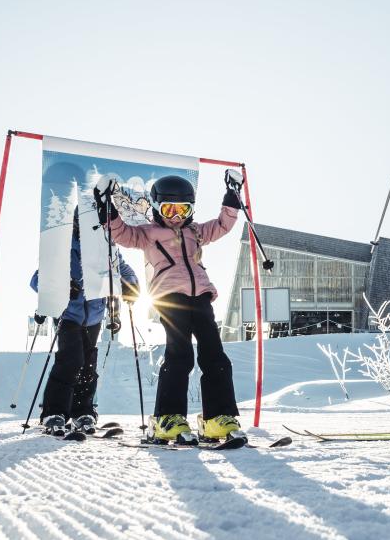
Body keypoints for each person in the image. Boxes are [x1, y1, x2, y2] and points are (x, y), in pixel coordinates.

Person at [96, 170, 243, 445]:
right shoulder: (148, 234)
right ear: (156, 208)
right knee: (181, 355)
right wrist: (108, 211)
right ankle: (168, 418)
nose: (176, 216)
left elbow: (223, 225)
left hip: (200, 296)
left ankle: (217, 418)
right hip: (169, 297)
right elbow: (122, 235)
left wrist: (232, 196)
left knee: (216, 356)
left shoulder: (196, 231)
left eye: (182, 209)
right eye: (169, 209)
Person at [31, 208, 139, 436]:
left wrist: (131, 285)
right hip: (68, 313)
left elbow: (122, 269)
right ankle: (54, 412)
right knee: (71, 360)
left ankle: (83, 412)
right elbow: (37, 279)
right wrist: (61, 285)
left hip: (95, 314)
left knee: (88, 363)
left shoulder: (106, 246)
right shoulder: (63, 246)